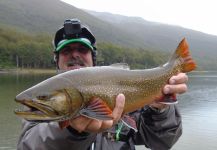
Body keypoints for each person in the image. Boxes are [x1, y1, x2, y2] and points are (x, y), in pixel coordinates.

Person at [17, 18, 188, 150]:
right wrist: (72, 131)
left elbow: (162, 142)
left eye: (82, 50)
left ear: (93, 58)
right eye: (66, 51)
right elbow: (29, 146)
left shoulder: (126, 92)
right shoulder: (40, 106)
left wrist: (160, 109)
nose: (74, 55)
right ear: (57, 60)